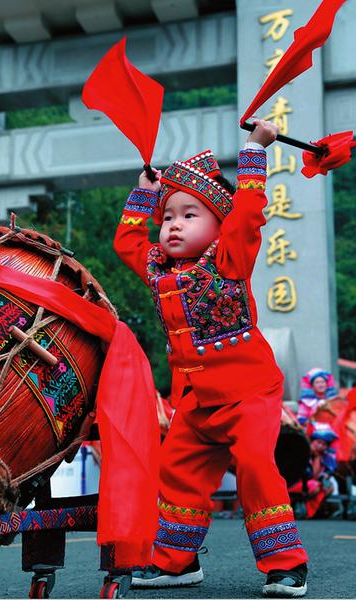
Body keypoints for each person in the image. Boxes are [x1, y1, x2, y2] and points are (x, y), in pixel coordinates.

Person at [113, 120, 309, 598]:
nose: (174, 224)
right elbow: (127, 243)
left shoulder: (230, 260)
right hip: (198, 402)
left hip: (249, 393)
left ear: (220, 227)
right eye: (168, 217)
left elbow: (247, 214)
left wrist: (253, 151)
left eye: (189, 215)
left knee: (256, 466)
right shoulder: (159, 270)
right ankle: (176, 564)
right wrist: (143, 194)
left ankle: (286, 564)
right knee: (176, 471)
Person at [289, 422, 339, 519]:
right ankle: (295, 506)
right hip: (291, 484)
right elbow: (312, 477)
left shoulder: (324, 456)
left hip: (307, 484)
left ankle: (307, 511)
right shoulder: (302, 451)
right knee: (315, 486)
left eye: (323, 444)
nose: (320, 446)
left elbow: (319, 476)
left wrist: (317, 458)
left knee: (328, 487)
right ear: (311, 441)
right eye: (318, 442)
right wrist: (316, 458)